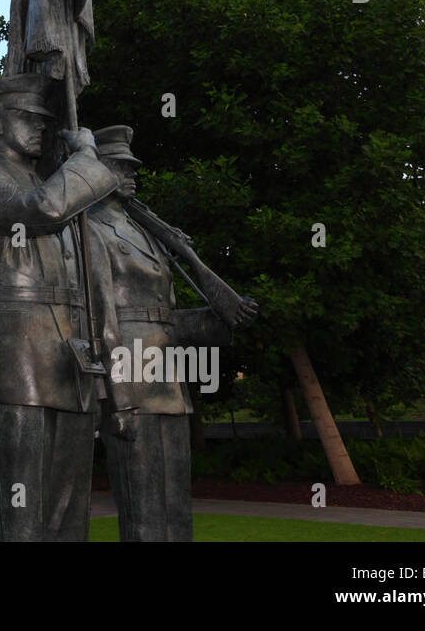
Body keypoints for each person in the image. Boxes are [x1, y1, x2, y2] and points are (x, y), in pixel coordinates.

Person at [0, 72, 118, 541]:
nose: (41, 127)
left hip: (70, 358)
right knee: (18, 515)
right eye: (28, 118)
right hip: (15, 355)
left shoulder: (54, 184)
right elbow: (42, 210)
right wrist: (85, 158)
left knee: (69, 514)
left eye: (44, 120)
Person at [87, 125, 257, 541]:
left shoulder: (150, 233)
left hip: (168, 379)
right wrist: (117, 398)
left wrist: (216, 318)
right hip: (130, 377)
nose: (132, 174)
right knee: (143, 507)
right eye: (121, 166)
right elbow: (100, 318)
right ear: (97, 171)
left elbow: (164, 315)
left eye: (132, 167)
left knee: (177, 505)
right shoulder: (89, 230)